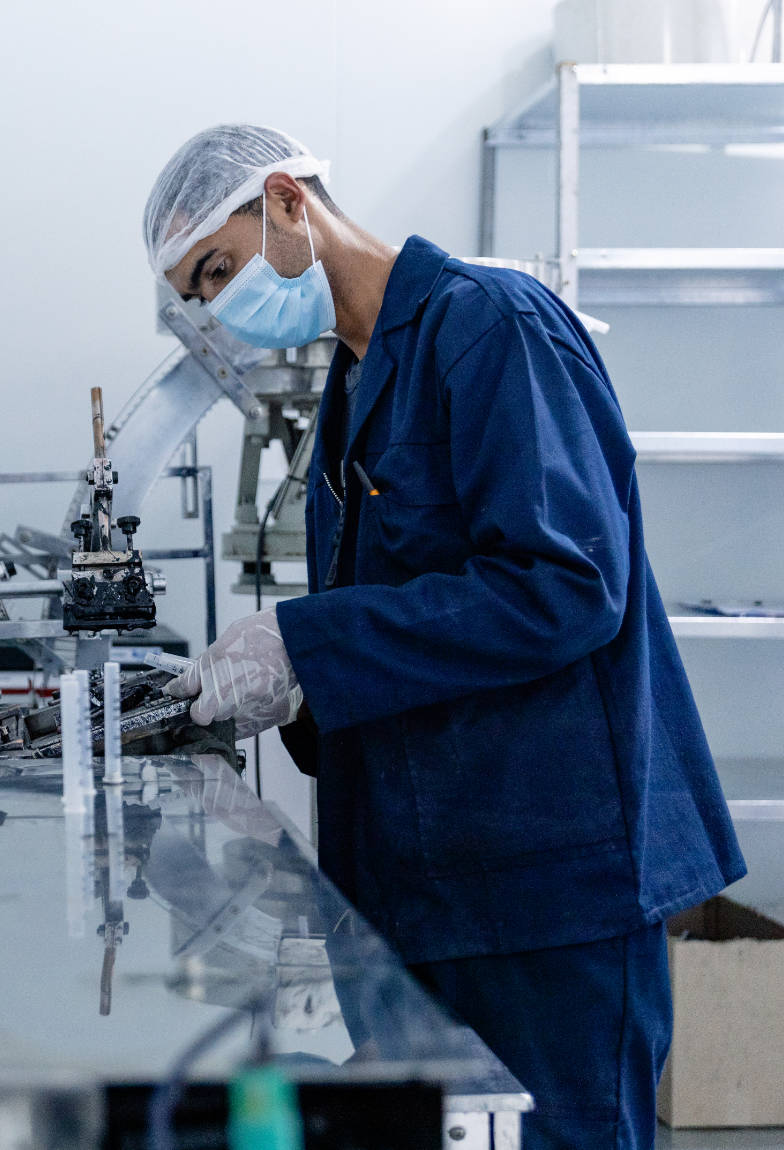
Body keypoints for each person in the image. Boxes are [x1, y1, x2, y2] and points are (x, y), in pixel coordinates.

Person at [144, 124, 746, 1149]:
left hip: (550, 894)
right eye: (196, 297)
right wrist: (258, 699)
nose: (219, 310)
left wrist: (303, 648)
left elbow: (567, 585)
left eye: (217, 269)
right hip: (424, 891)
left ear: (286, 202)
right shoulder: (353, 384)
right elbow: (395, 638)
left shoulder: (491, 326)